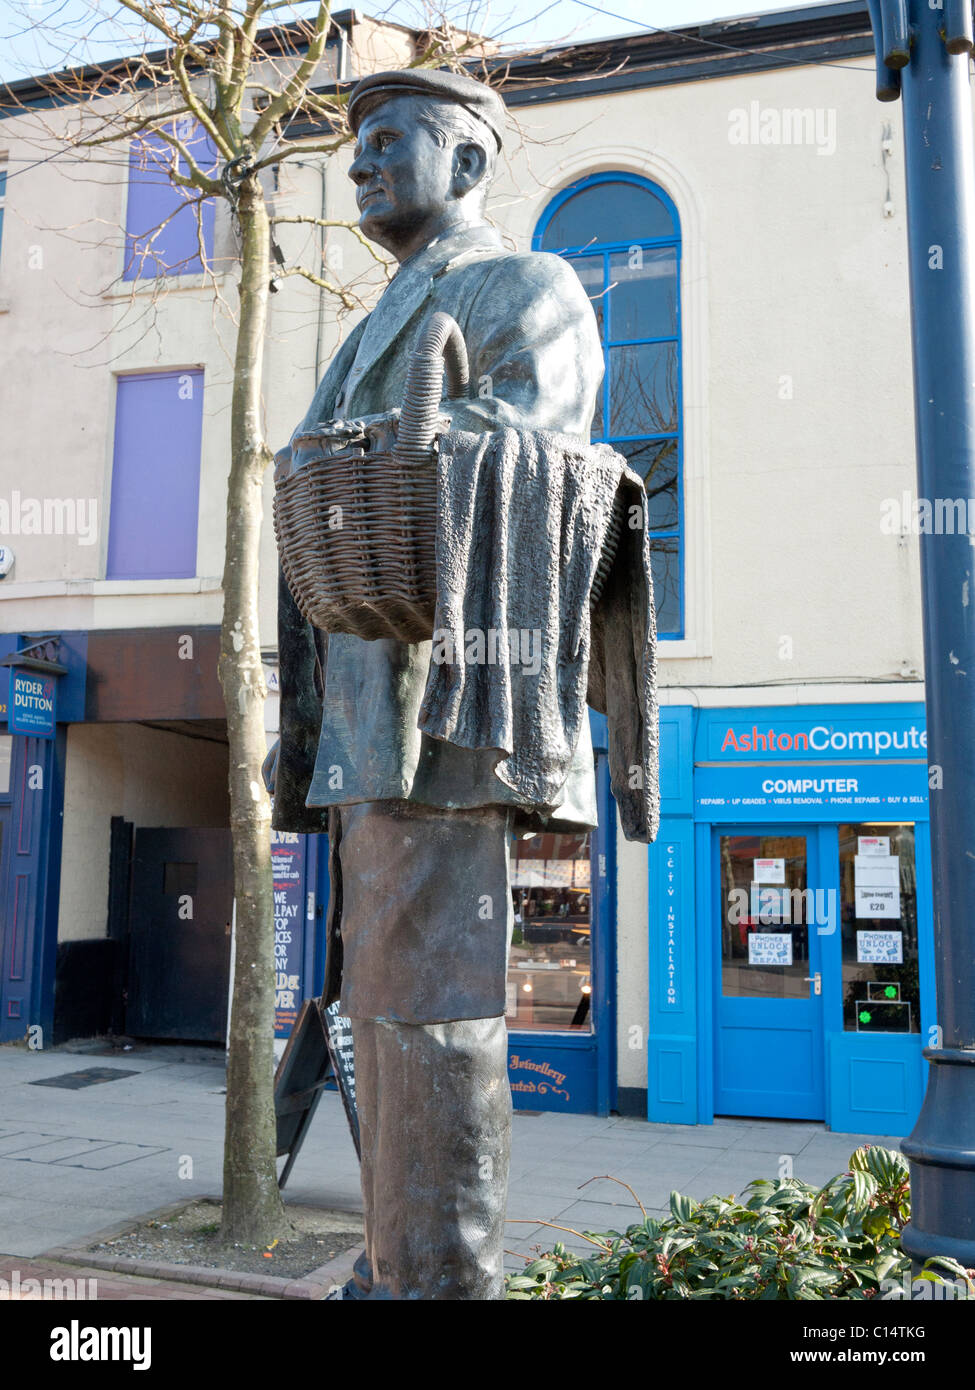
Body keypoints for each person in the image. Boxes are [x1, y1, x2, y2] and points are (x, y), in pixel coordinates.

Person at [267, 68, 607, 1300]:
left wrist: (418, 442)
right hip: (369, 713)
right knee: (383, 1008)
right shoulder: (374, 323)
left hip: (455, 705)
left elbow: (546, 449)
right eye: (352, 144)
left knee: (432, 1014)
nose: (360, 161)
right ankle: (397, 1266)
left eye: (388, 139)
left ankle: (441, 1282)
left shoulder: (528, 285)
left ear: (466, 162)